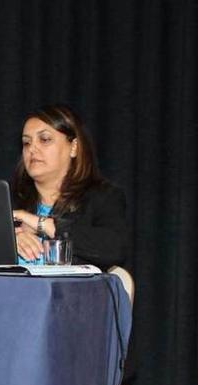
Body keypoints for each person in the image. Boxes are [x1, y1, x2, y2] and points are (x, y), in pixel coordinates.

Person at [12, 104, 128, 270]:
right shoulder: (10, 199)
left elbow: (114, 248)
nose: (32, 149)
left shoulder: (102, 197)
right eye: (26, 143)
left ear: (73, 147)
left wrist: (46, 225)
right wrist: (8, 241)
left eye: (44, 140)